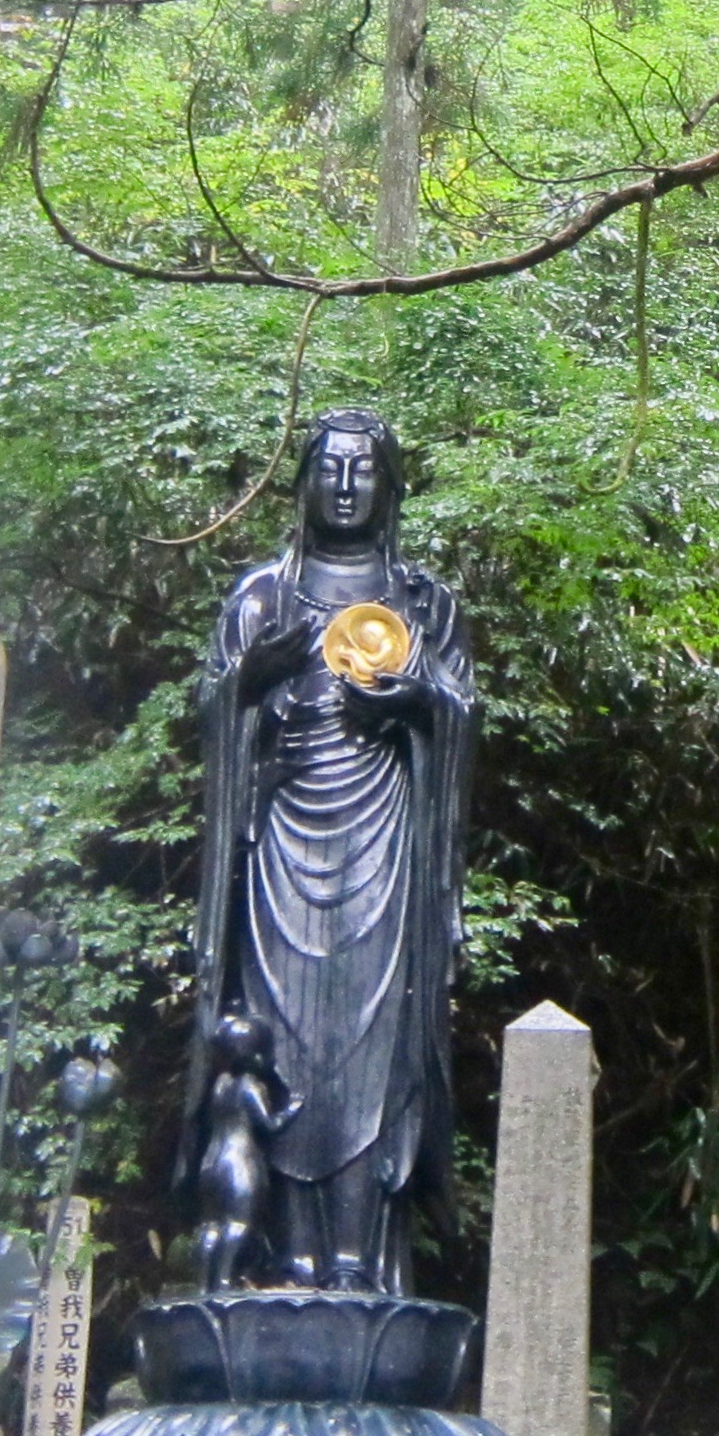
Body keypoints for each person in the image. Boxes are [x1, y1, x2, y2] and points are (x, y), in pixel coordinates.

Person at [182, 410, 476, 1294]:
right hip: (278, 846)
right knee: (282, 1049)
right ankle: (291, 1257)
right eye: (329, 469)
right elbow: (213, 711)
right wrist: (248, 681)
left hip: (382, 846)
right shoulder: (262, 596)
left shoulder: (424, 602)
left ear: (388, 486)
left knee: (371, 1050)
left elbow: (462, 713)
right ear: (302, 482)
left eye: (363, 471)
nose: (345, 487)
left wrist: (420, 699)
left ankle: (357, 1261)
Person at [195, 1014, 296, 1294]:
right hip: (239, 1159)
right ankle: (224, 1280)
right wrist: (292, 1109)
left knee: (210, 1225)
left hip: (211, 1161)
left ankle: (204, 1283)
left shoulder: (220, 1084)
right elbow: (269, 1124)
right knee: (238, 1223)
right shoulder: (250, 1085)